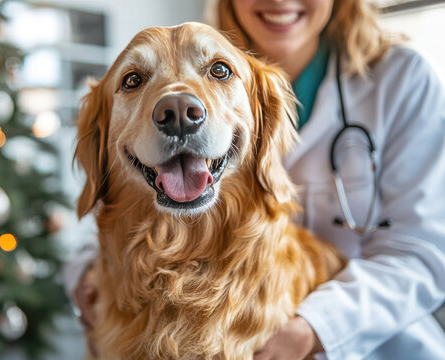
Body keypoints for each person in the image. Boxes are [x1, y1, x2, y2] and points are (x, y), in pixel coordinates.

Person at [65, 0, 445, 359]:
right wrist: (88, 269)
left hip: (373, 341)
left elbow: (424, 252)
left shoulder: (402, 78)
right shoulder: (185, 42)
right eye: (134, 80)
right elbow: (116, 201)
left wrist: (317, 328)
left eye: (218, 71)